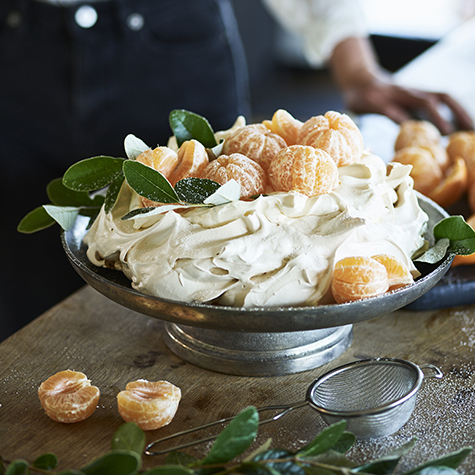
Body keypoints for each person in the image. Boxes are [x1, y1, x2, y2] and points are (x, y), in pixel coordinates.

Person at [0, 0, 472, 341]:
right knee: (24, 279)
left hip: (170, 37)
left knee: (207, 229)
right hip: (17, 55)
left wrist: (357, 68)